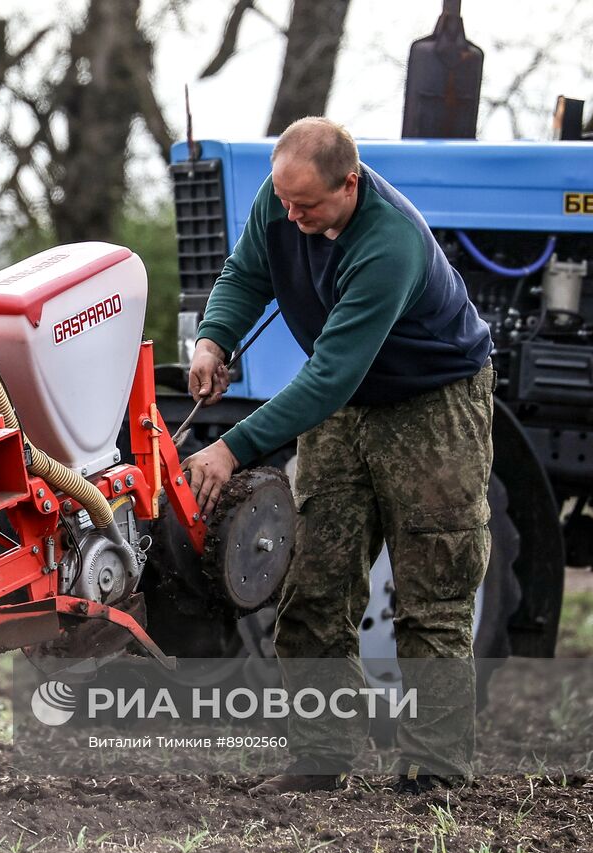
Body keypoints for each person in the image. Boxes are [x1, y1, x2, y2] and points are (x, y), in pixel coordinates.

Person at [182, 116, 494, 795]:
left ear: (350, 185)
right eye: (284, 202)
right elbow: (246, 270)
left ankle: (434, 771)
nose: (291, 217)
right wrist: (214, 338)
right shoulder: (284, 197)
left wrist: (231, 449)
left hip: (431, 403)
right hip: (345, 408)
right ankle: (319, 758)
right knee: (312, 585)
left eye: (309, 207)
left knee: (431, 593)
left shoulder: (389, 244)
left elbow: (329, 375)